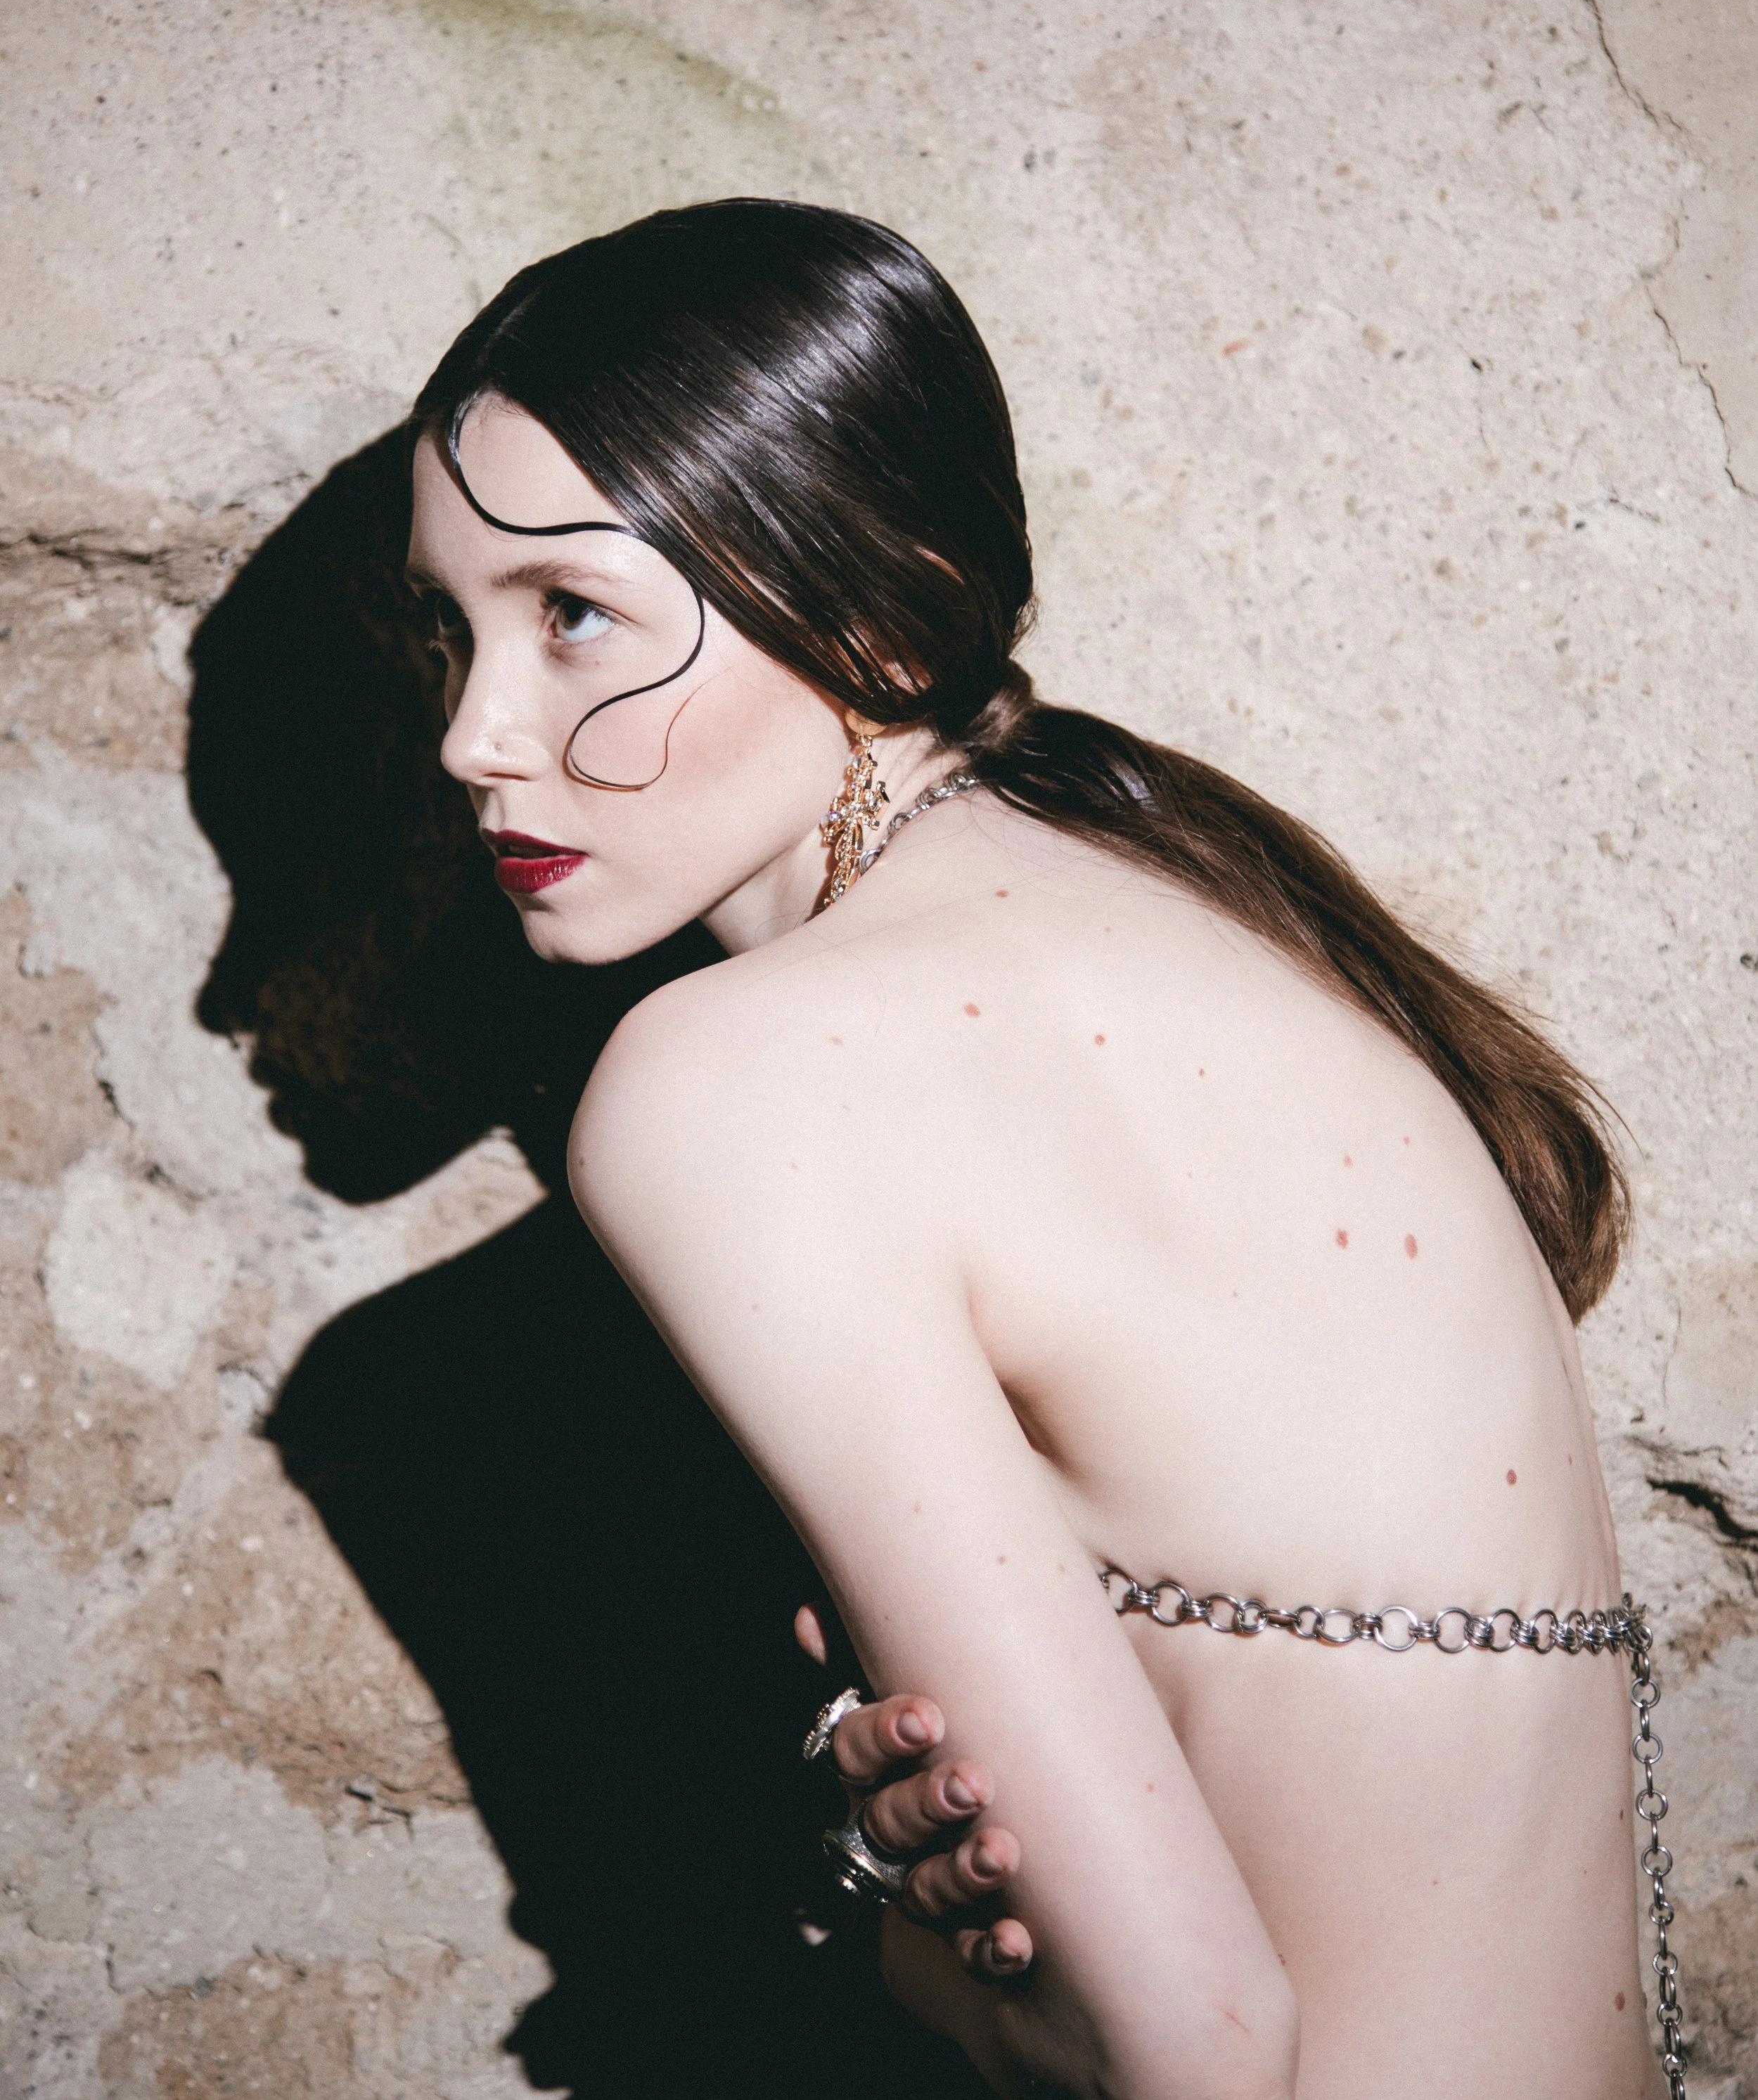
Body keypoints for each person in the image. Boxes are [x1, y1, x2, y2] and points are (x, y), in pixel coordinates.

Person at [403, 199, 1675, 2099]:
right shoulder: (1195, 894)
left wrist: (897, 1926)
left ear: (873, 602)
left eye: (572, 614)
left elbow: (1185, 2043)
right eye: (447, 629)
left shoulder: (738, 1080)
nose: (473, 736)